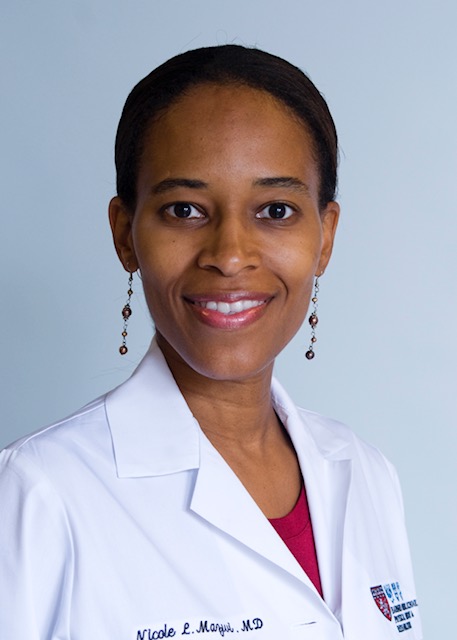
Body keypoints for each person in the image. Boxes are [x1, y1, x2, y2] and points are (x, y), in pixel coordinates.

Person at [0, 45, 422, 639]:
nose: (229, 256)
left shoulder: (367, 474)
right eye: (184, 209)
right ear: (125, 234)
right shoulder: (37, 494)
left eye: (275, 210)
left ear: (325, 238)